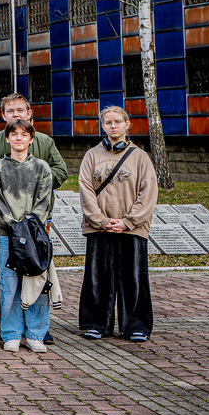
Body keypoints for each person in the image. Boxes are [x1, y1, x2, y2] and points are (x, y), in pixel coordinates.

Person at [0, 94, 68, 338]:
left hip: (38, 221)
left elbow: (60, 171)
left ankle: (37, 325)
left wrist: (37, 186)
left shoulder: (45, 142)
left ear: (30, 113)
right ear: (3, 115)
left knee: (36, 265)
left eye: (20, 110)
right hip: (4, 220)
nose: (16, 114)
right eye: (10, 110)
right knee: (4, 268)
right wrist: (0, 210)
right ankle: (3, 320)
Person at [78, 106, 157, 343]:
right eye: (108, 122)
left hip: (132, 228)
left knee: (133, 277)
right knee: (96, 277)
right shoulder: (92, 155)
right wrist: (102, 221)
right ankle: (95, 323)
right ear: (102, 126)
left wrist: (128, 221)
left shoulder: (140, 157)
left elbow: (148, 193)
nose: (113, 126)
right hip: (99, 227)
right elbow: (85, 190)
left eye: (118, 121)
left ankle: (136, 326)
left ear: (127, 124)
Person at [0, 119, 55, 353]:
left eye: (23, 134)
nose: (18, 138)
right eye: (14, 134)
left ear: (31, 139)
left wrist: (28, 226)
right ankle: (11, 333)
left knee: (37, 282)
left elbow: (44, 201)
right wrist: (14, 226)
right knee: (9, 285)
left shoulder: (42, 168)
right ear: (7, 138)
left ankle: (36, 333)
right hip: (7, 235)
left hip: (34, 237)